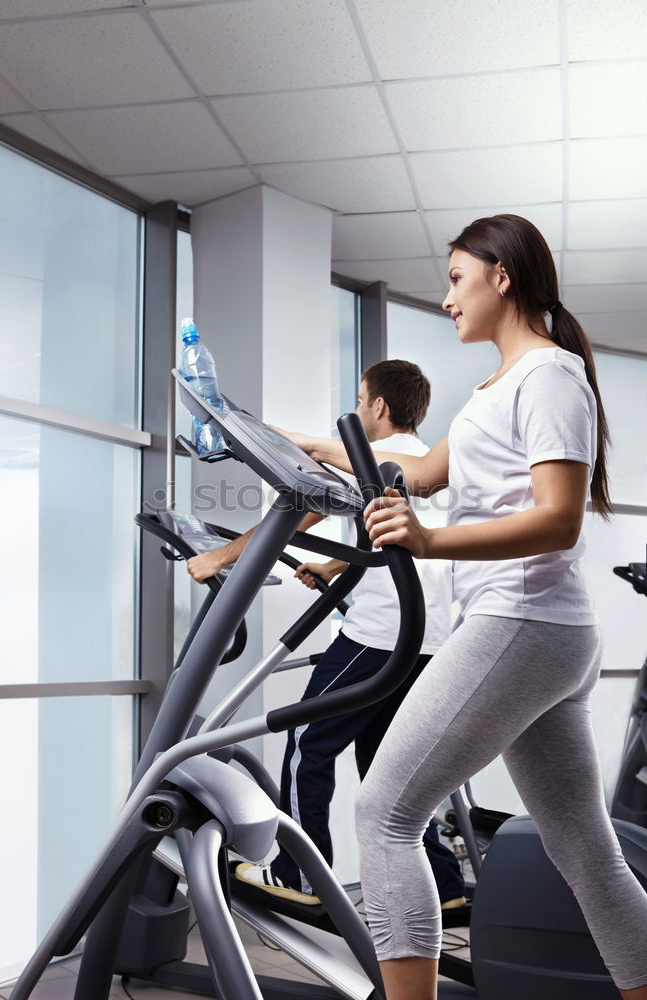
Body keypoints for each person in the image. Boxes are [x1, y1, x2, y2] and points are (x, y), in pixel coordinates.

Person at [277, 215, 647, 1000]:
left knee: (383, 814)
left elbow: (559, 518)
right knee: (583, 847)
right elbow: (421, 472)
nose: (447, 298)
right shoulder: (497, 386)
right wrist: (300, 443)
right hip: (540, 629)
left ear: (499, 277)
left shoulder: (546, 375)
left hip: (521, 619)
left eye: (454, 279)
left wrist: (429, 546)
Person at [187, 360, 465, 910]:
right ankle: (447, 888)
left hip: (377, 637)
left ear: (379, 407)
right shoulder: (427, 466)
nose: (359, 411)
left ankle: (297, 877)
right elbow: (397, 540)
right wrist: (337, 569)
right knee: (390, 770)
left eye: (362, 401)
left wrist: (217, 557)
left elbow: (298, 518)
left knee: (306, 746)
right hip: (429, 642)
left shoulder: (372, 463)